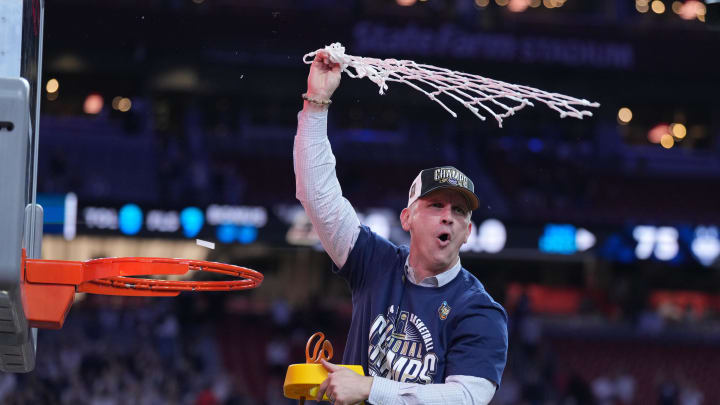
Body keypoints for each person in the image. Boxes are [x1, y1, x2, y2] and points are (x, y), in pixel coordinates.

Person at [294, 51, 508, 405]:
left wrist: (370, 388)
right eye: (436, 205)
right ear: (406, 218)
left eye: (459, 211)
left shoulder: (479, 310)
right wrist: (317, 102)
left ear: (468, 232)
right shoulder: (375, 262)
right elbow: (318, 196)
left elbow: (466, 397)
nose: (448, 217)